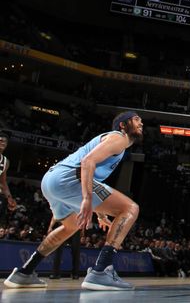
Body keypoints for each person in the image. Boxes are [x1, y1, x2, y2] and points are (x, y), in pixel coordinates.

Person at [4, 111, 144, 291]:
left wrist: (99, 212)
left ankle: (24, 272)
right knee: (130, 208)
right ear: (123, 125)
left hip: (51, 181)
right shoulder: (119, 138)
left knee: (71, 226)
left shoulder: (115, 144)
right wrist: (87, 199)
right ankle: (101, 271)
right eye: (136, 119)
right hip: (69, 177)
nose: (141, 123)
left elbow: (94, 179)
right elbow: (87, 162)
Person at [0, 131, 18, 217]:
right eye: (0, 140)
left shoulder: (5, 162)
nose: (3, 142)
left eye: (5, 141)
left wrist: (9, 198)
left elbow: (2, 182)